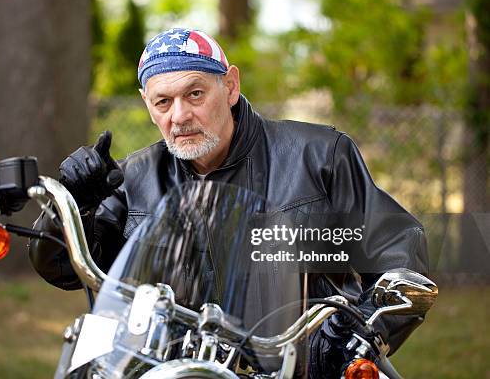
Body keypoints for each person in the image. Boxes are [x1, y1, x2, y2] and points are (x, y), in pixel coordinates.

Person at [29, 27, 430, 377]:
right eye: (163, 102)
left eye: (195, 93)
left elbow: (396, 249)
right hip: (175, 371)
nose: (180, 115)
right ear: (147, 105)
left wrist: (359, 333)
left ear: (231, 86)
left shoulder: (320, 157)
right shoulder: (131, 179)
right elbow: (63, 268)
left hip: (298, 368)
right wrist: (73, 203)